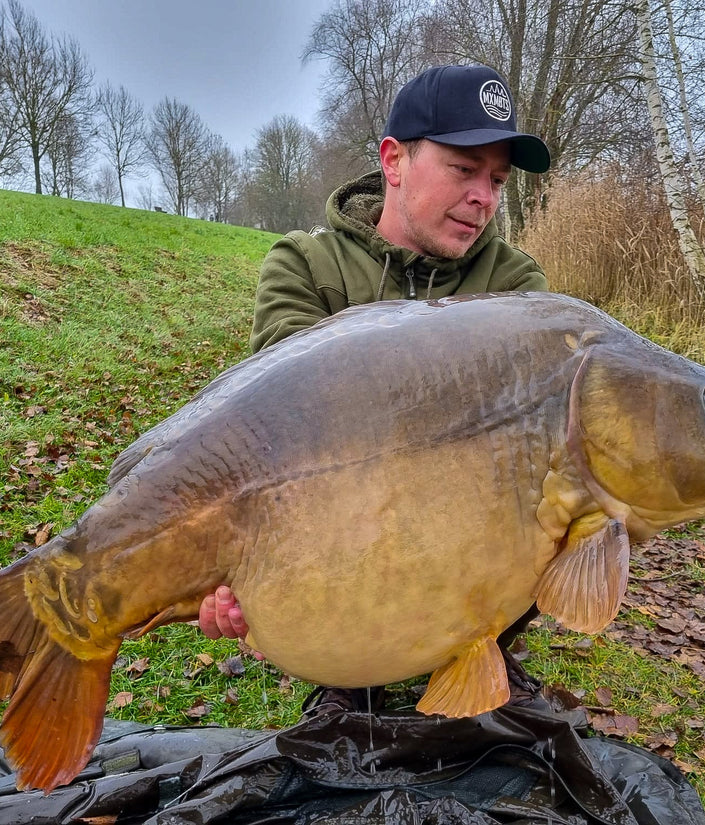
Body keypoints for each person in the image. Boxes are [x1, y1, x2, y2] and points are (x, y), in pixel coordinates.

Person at [199, 64, 552, 714]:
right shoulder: (306, 264)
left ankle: (475, 654)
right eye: (464, 168)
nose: (484, 197)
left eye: (498, 180)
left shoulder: (518, 287)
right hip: (343, 554)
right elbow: (279, 434)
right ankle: (351, 675)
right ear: (394, 160)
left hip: (474, 570)